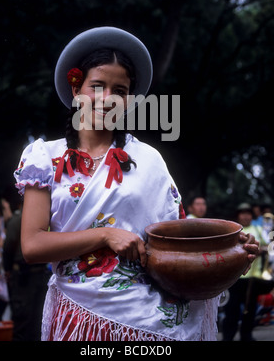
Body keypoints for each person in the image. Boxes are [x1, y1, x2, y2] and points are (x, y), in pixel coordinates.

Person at [14, 27, 259, 342]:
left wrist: (232, 253)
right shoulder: (44, 157)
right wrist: (106, 234)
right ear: (76, 90)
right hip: (82, 319)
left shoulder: (149, 159)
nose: (107, 98)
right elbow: (32, 246)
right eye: (97, 86)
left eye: (119, 90)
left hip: (152, 323)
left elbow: (178, 242)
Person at [222, 203, 274, 341]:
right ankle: (228, 337)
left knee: (249, 311)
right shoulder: (233, 230)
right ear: (238, 215)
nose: (245, 216)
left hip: (253, 277)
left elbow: (268, 245)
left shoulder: (258, 228)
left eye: (248, 214)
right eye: (243, 213)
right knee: (231, 310)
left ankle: (247, 336)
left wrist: (261, 249)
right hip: (234, 278)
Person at [3, 198, 50, 341]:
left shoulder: (44, 218)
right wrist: (8, 269)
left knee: (38, 321)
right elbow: (8, 247)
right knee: (23, 320)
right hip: (24, 274)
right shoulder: (19, 219)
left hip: (41, 273)